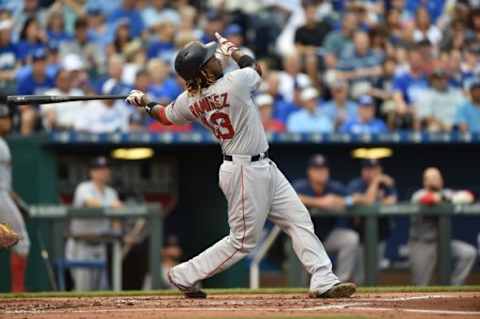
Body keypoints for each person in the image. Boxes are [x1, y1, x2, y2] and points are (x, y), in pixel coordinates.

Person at [126, 33, 356, 298]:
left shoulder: (190, 100)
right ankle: (185, 274)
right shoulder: (234, 82)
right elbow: (254, 68)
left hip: (262, 165)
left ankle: (323, 278)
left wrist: (144, 102)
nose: (216, 58)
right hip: (244, 170)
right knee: (243, 241)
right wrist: (232, 49)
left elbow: (164, 116)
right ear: (203, 70)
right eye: (210, 59)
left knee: (298, 219)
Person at [294, 154, 359, 282]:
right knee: (298, 253)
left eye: (323, 169)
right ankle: (298, 290)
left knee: (351, 238)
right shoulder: (302, 186)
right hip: (305, 239)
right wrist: (320, 202)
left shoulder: (334, 187)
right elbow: (292, 197)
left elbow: (355, 198)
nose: (321, 172)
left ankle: (340, 283)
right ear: (310, 172)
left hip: (327, 236)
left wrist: (339, 200)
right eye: (317, 169)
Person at [409, 167, 476, 286]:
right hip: (422, 244)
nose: (437, 180)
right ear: (425, 181)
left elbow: (469, 196)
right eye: (432, 178)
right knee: (420, 284)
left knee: (468, 253)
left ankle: (454, 287)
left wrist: (448, 198)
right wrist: (449, 199)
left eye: (438, 177)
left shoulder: (446, 193)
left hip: (443, 243)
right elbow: (428, 199)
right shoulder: (418, 195)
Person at [65, 156, 123, 291]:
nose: (104, 172)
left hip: (100, 246)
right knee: (82, 290)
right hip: (81, 245)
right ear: (91, 172)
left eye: (106, 169)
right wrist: (112, 206)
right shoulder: (84, 188)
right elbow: (90, 203)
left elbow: (115, 219)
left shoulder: (111, 192)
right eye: (99, 169)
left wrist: (119, 234)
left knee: (101, 290)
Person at [347, 159, 397, 284]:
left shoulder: (386, 185)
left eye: (374, 170)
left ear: (380, 170)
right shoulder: (356, 184)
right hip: (360, 236)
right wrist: (375, 182)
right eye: (368, 169)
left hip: (380, 235)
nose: (371, 173)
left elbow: (392, 202)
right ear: (362, 171)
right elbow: (369, 201)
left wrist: (364, 199)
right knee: (360, 276)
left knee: (374, 274)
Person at [0, 104, 31, 292]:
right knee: (21, 240)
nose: (8, 122)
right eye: (3, 119)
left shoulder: (3, 143)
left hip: (4, 193)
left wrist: (16, 200)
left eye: (8, 118)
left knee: (15, 239)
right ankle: (18, 291)